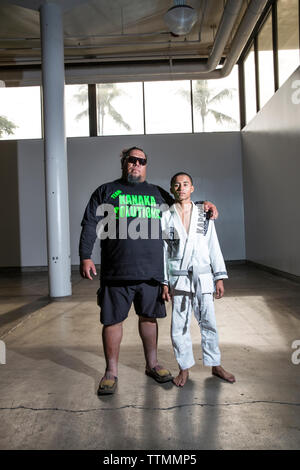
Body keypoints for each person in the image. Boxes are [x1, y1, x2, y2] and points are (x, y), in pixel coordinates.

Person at [79, 147, 218, 395]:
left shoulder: (156, 193)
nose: (136, 164)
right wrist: (85, 256)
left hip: (152, 272)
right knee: (112, 321)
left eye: (141, 161)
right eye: (131, 160)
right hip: (117, 271)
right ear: (123, 163)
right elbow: (90, 222)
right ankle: (111, 371)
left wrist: (203, 204)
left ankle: (152, 364)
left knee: (149, 318)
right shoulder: (107, 191)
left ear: (146, 165)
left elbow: (181, 204)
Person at [161, 172, 235, 387]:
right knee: (179, 325)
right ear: (172, 189)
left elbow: (213, 245)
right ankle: (184, 368)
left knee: (209, 322)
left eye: (185, 184)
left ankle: (215, 364)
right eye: (177, 185)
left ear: (192, 188)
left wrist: (219, 277)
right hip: (179, 276)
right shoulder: (165, 216)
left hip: (203, 276)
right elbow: (163, 251)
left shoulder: (204, 212)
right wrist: (164, 281)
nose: (181, 188)